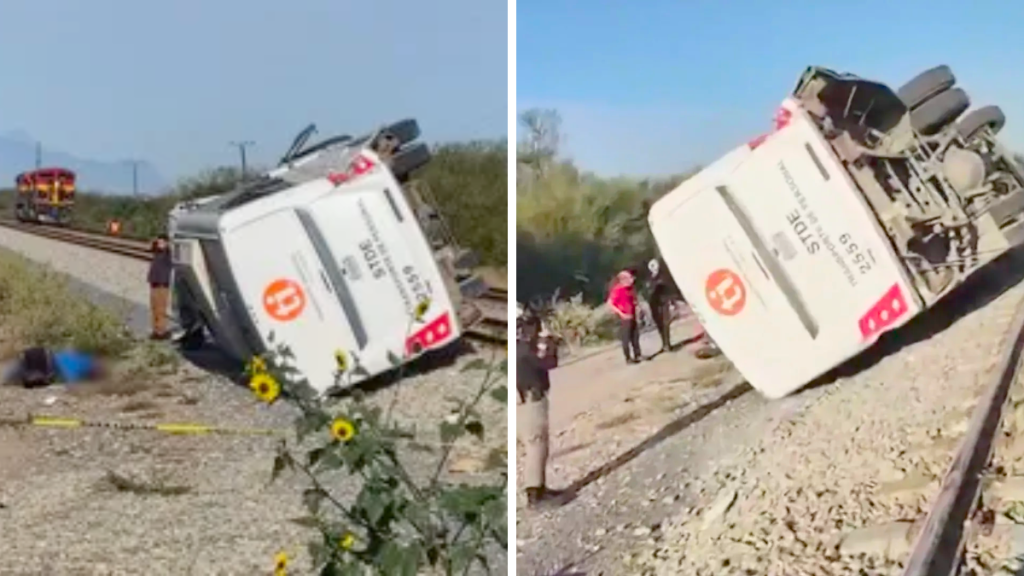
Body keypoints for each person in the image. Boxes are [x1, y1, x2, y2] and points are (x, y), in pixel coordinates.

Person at [516, 307, 566, 509]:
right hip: (531, 399)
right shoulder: (523, 350)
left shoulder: (517, 347)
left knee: (538, 444)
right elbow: (549, 362)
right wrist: (548, 341)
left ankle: (540, 488)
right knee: (536, 445)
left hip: (527, 398)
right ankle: (535, 495)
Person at [1, 347, 107, 388]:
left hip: (42, 356)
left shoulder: (82, 358)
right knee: (11, 376)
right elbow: (71, 384)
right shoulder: (80, 365)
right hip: (43, 362)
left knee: (14, 372)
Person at [608, 270, 642, 364]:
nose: (632, 280)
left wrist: (637, 308)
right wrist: (621, 314)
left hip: (632, 315)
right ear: (624, 280)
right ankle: (628, 358)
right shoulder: (618, 289)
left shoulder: (630, 288)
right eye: (630, 278)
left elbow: (634, 300)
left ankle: (638, 355)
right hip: (624, 318)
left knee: (635, 336)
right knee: (626, 339)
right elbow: (610, 304)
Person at [148, 234, 173, 340]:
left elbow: (171, 249)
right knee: (154, 308)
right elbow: (150, 246)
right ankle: (155, 330)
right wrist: (155, 240)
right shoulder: (157, 251)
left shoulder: (168, 253)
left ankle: (161, 332)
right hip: (154, 283)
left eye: (162, 242)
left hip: (162, 285)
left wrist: (167, 243)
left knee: (161, 309)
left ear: (166, 243)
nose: (160, 244)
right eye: (159, 242)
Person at [647, 258, 675, 353]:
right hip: (654, 304)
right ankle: (664, 344)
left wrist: (672, 302)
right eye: (651, 266)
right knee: (659, 324)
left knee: (665, 323)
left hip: (664, 303)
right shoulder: (650, 278)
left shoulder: (663, 276)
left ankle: (667, 344)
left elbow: (668, 290)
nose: (653, 268)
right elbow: (648, 291)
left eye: (654, 266)